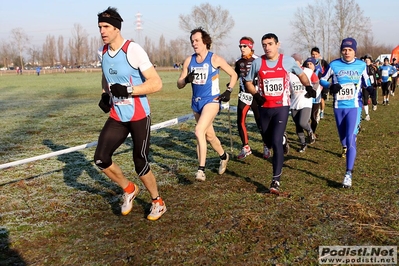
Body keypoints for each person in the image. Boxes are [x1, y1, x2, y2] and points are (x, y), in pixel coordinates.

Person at [94, 6, 166, 221]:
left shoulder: (133, 50)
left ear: (117, 28)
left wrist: (128, 90)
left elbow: (156, 83)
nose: (102, 31)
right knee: (100, 159)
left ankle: (157, 202)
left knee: (140, 160)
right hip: (117, 116)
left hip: (138, 116)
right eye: (99, 27)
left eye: (106, 27)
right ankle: (128, 188)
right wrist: (105, 94)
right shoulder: (103, 52)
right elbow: (106, 76)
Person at [245, 33, 313, 195]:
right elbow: (247, 81)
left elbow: (301, 74)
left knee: (275, 142)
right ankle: (282, 139)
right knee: (268, 141)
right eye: (264, 45)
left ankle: (275, 180)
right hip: (264, 107)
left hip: (281, 107)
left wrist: (309, 87)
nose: (267, 47)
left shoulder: (287, 61)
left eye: (270, 44)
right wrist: (256, 96)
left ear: (277, 44)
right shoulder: (258, 62)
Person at [177, 27, 237, 181]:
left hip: (212, 101)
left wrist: (228, 90)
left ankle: (200, 170)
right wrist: (186, 80)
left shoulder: (214, 59)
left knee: (198, 131)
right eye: (192, 41)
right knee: (209, 135)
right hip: (196, 102)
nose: (194, 44)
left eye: (197, 40)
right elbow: (179, 84)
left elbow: (233, 74)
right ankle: (224, 156)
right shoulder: (189, 61)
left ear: (205, 41)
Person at [320, 38, 371, 188]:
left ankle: (348, 173)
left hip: (354, 106)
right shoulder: (334, 65)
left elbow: (367, 82)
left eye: (350, 49)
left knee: (350, 140)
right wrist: (330, 85)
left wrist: (371, 90)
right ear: (341, 51)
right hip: (338, 107)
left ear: (355, 51)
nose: (347, 52)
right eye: (344, 49)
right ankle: (351, 135)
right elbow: (322, 79)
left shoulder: (361, 65)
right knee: (343, 140)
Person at [234, 36, 268, 159]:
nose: (242, 48)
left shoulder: (258, 60)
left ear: (250, 47)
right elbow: (235, 76)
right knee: (240, 121)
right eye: (240, 46)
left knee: (260, 122)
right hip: (243, 95)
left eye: (244, 46)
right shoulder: (238, 61)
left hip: (256, 95)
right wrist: (229, 86)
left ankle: (266, 145)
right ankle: (246, 147)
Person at [290, 54, 319, 153]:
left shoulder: (308, 71)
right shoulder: (288, 73)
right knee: (298, 125)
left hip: (305, 101)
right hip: (294, 102)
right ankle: (303, 144)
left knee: (302, 122)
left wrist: (312, 91)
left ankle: (310, 132)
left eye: (295, 62)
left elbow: (316, 81)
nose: (293, 64)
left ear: (300, 62)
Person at [304, 57, 323, 136]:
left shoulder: (318, 73)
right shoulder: (304, 73)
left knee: (313, 117)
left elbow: (323, 82)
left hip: (316, 98)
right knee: (306, 118)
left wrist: (324, 91)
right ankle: (310, 132)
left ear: (314, 65)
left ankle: (313, 133)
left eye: (311, 64)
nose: (309, 66)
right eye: (307, 64)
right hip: (306, 98)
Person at [311, 47, 329, 118]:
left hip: (322, 83)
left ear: (319, 54)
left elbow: (329, 70)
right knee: (314, 99)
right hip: (313, 84)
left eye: (316, 54)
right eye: (313, 54)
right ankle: (316, 112)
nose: (314, 56)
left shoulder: (323, 62)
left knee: (321, 99)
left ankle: (322, 111)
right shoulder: (309, 62)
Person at [362, 55, 378, 119]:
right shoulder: (362, 67)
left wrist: (378, 81)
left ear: (370, 61)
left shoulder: (374, 67)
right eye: (365, 60)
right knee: (365, 100)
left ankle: (374, 104)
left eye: (368, 60)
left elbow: (378, 74)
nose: (366, 61)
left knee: (373, 98)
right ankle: (367, 115)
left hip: (372, 85)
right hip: (365, 86)